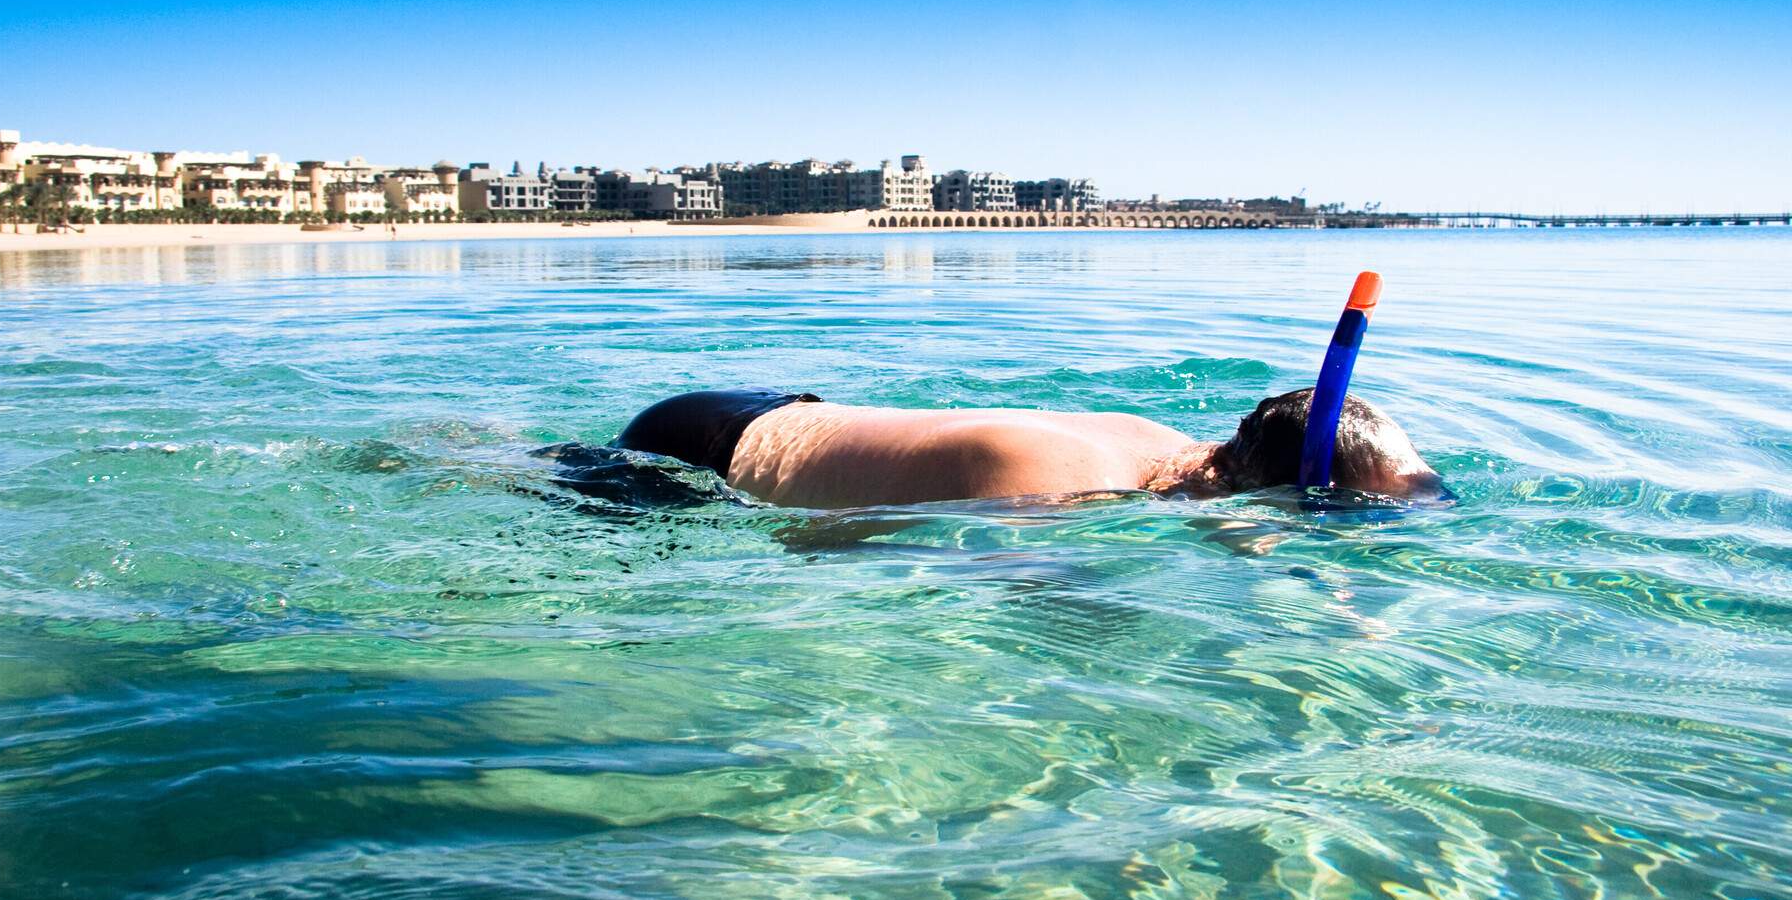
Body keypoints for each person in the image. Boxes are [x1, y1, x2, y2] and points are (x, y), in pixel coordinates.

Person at [611, 388, 1445, 509]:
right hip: (695, 449)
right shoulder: (1061, 480)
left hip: (784, 411)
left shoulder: (1160, 448)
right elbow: (1013, 575)